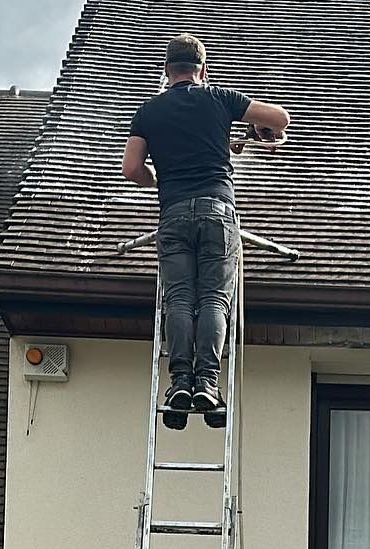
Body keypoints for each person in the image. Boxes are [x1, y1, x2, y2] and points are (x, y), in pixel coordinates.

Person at [122, 34, 290, 421]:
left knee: (179, 298)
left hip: (174, 213)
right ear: (202, 69)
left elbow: (131, 169)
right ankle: (208, 385)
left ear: (166, 71)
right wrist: (259, 132)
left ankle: (181, 380)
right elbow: (279, 120)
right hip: (217, 210)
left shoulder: (148, 112)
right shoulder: (219, 98)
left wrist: (158, 181)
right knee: (214, 298)